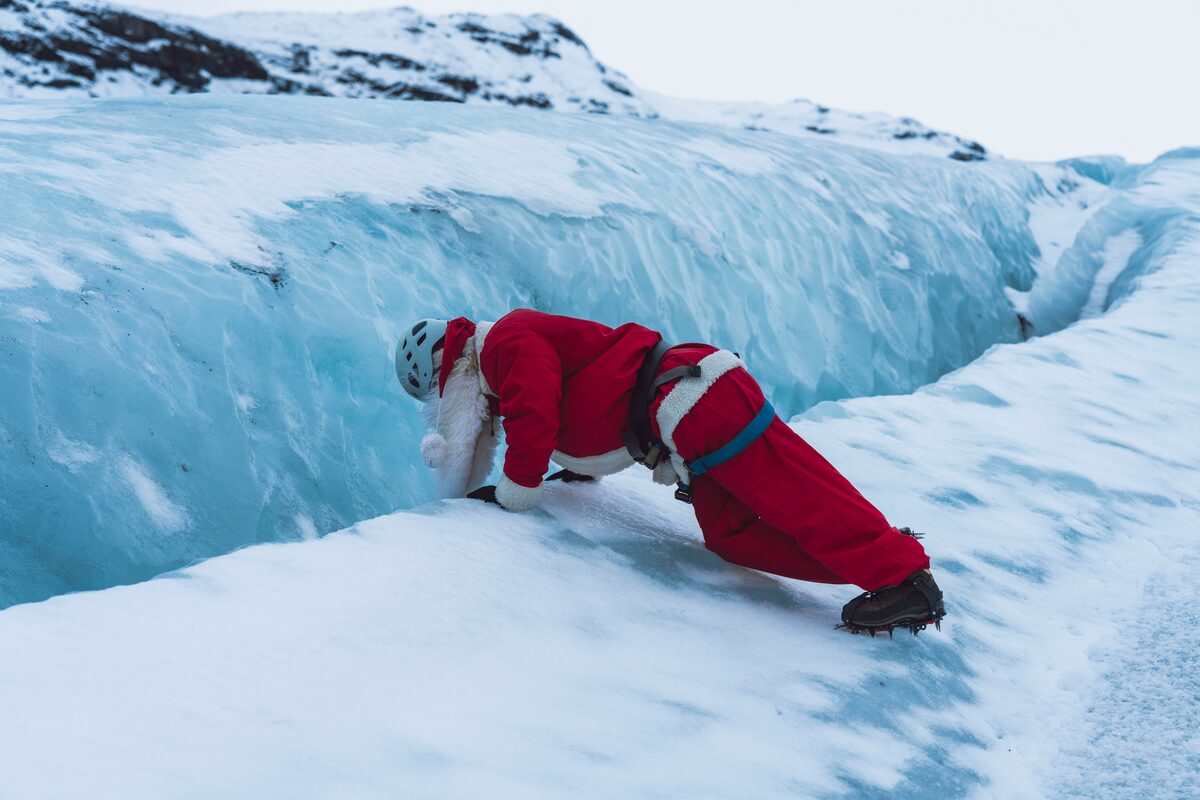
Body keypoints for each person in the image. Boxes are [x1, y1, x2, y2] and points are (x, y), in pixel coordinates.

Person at [396, 309, 945, 636]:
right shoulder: (500, 360)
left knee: (793, 491)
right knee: (736, 539)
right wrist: (578, 473)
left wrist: (518, 490)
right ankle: (881, 566)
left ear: (452, 365)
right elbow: (582, 400)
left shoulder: (506, 342)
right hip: (683, 418)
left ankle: (901, 572)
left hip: (693, 397)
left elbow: (537, 408)